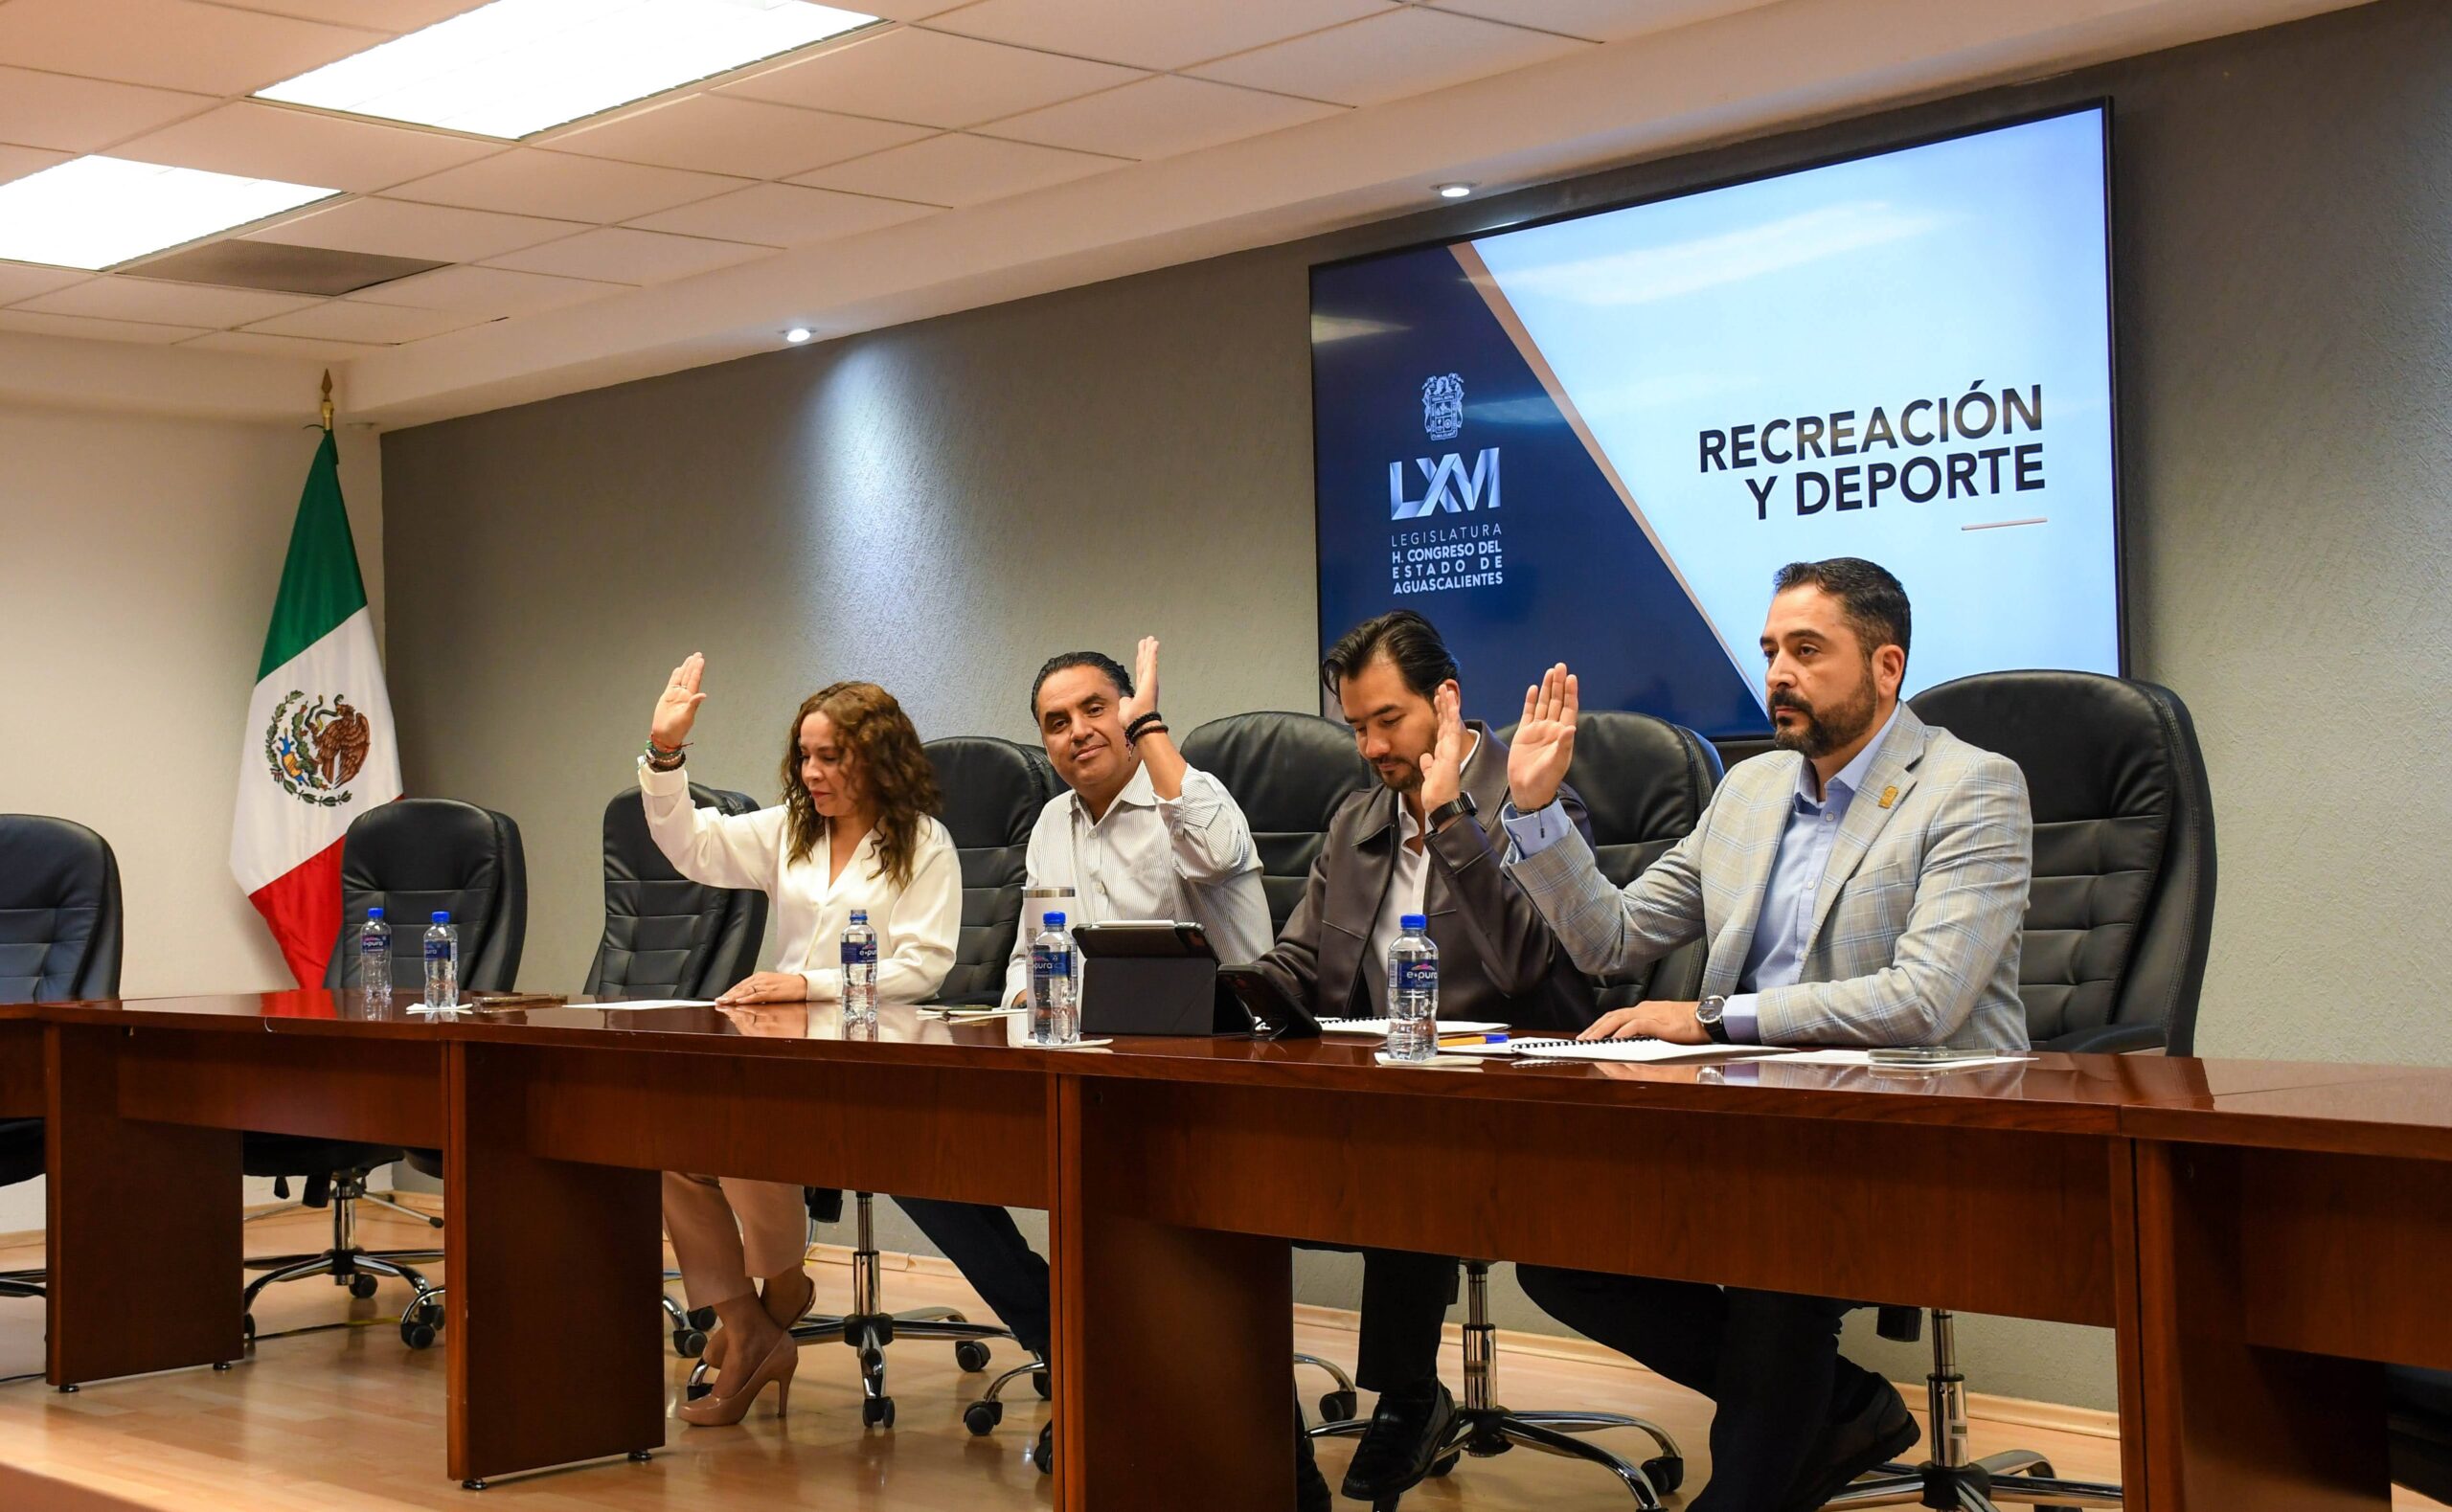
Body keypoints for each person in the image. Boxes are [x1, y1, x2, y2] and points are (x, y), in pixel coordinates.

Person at [1498, 557, 2034, 1511]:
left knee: (1779, 1247)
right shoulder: (1749, 792)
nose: (1779, 672)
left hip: (1914, 1123)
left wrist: (1709, 1018)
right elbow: (1610, 938)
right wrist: (1537, 812)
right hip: (1748, 1122)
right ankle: (1844, 1408)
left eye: (1807, 650)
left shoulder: (1971, 787)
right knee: (1561, 1250)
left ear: (1886, 666)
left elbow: (1924, 1000)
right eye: (1771, 651)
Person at [1249, 610, 1599, 1506]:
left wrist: (1448, 817)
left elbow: (1527, 965)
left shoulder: (1536, 796)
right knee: (1227, 1167)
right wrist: (1224, 992)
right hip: (1387, 1084)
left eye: (1388, 720)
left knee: (1406, 1134)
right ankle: (1261, 1436)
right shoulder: (1357, 820)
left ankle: (1408, 1395)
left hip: (1521, 1091)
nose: (1370, 746)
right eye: (1355, 726)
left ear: (1445, 700)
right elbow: (1301, 961)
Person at [888, 636, 1276, 1408]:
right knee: (916, 1158)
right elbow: (1032, 952)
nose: (1077, 731)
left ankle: (1215, 1410)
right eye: (1056, 721)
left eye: (1096, 709)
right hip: (1087, 1066)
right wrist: (1019, 1002)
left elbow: (1217, 856)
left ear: (1130, 713)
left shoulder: (1191, 796)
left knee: (1122, 1189)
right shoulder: (1050, 823)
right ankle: (1067, 1339)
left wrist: (1154, 728)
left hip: (1209, 1070)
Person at [638, 653, 961, 1428]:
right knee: (678, 1149)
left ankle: (775, 1302)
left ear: (877, 759)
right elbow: (691, 846)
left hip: (874, 1056)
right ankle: (751, 1317)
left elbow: (925, 965)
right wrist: (665, 752)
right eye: (805, 756)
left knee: (744, 1135)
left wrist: (807, 983)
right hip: (779, 1049)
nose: (812, 772)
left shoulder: (924, 842)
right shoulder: (789, 830)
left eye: (832, 756)